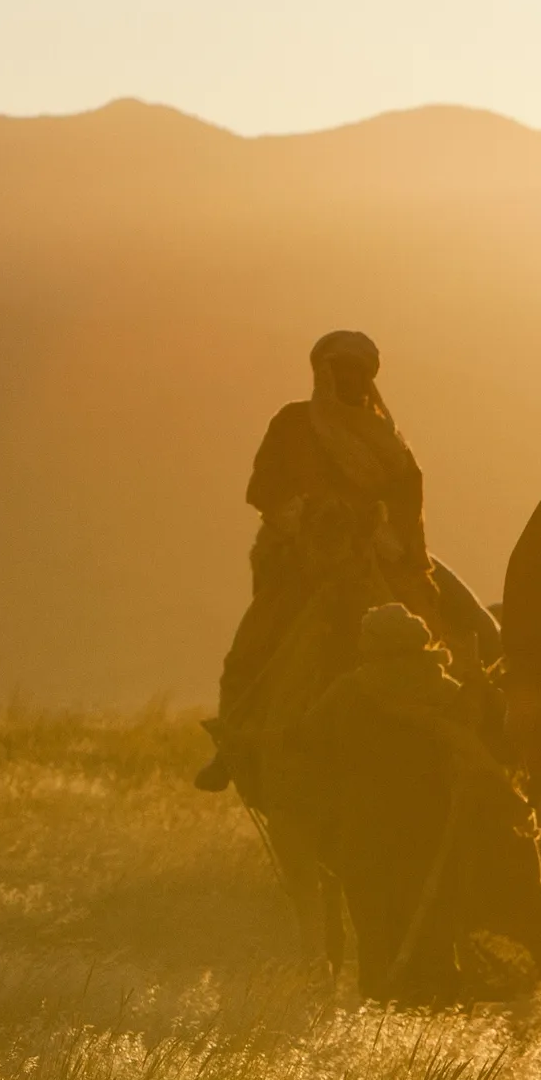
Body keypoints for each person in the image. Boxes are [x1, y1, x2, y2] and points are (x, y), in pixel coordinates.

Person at [198, 329, 429, 792]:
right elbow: (262, 488)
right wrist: (306, 515)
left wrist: (388, 536)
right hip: (302, 560)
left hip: (376, 556)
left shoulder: (386, 439)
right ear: (322, 373)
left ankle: (467, 736)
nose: (348, 379)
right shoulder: (292, 424)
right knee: (252, 649)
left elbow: (409, 498)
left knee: (440, 632)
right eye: (339, 370)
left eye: (357, 372)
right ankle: (233, 746)